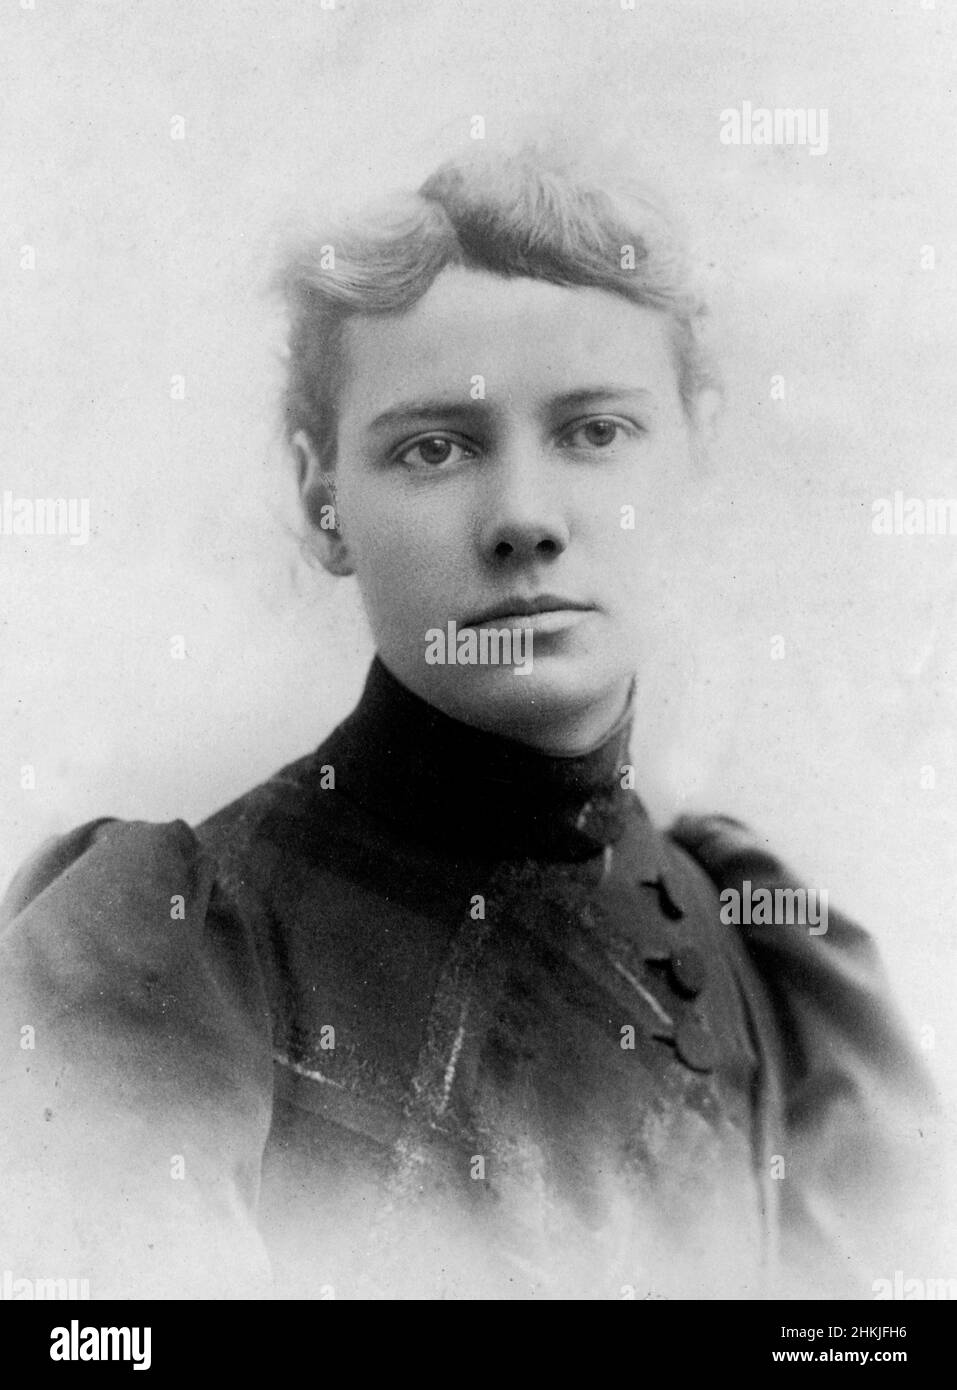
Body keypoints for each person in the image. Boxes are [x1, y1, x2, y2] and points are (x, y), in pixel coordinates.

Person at [0, 146, 939, 1301]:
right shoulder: (172, 955)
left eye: (596, 433)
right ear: (321, 498)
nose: (525, 520)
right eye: (433, 446)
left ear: (695, 451)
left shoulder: (776, 971)